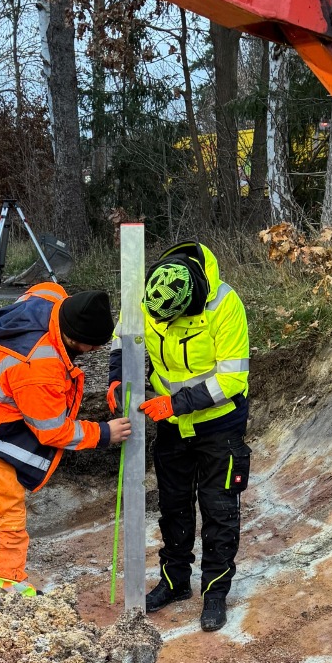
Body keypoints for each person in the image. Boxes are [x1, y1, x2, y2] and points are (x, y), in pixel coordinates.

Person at [108, 242, 250, 632]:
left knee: (219, 509)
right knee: (173, 506)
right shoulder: (150, 292)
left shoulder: (224, 305)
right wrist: (117, 379)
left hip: (219, 425)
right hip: (172, 426)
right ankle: (174, 583)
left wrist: (176, 403)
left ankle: (216, 593)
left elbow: (233, 377)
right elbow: (124, 340)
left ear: (191, 303)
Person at [0, 283, 130, 594]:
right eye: (93, 348)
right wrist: (104, 433)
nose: (94, 353)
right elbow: (53, 431)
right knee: (3, 514)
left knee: (4, 509)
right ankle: (8, 588)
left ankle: (7, 581)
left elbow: (44, 287)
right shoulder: (39, 368)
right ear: (76, 340)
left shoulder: (51, 299)